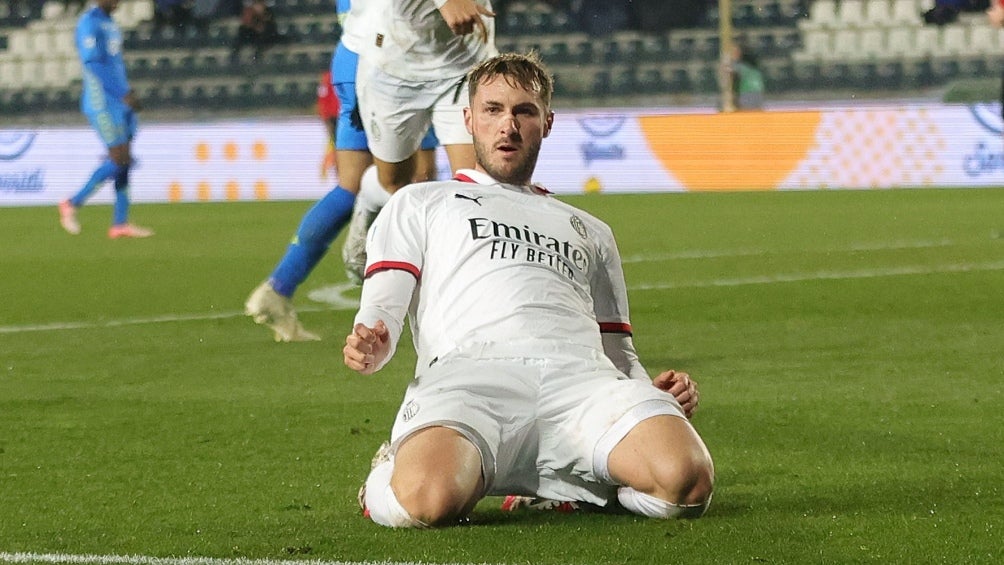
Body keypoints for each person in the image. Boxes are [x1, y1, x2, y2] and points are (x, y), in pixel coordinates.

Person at [342, 52, 715, 527]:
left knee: (688, 483)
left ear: (547, 123)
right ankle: (387, 473)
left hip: (581, 385)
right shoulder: (422, 201)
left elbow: (618, 350)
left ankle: (573, 490)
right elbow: (383, 305)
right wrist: (373, 340)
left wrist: (648, 392)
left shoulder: (590, 229)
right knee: (427, 502)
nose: (508, 125)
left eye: (524, 111)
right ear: (469, 120)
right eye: (493, 110)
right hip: (472, 381)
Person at [243, 0, 440, 342]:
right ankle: (436, 302)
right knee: (420, 179)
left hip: (351, 57)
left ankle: (279, 286)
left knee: (351, 185)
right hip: (396, 57)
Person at [339, 0, 498, 283]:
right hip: (396, 63)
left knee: (478, 189)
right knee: (395, 183)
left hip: (466, 61)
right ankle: (369, 201)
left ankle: (463, 287)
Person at [59, 0, 153, 239]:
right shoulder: (89, 23)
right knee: (119, 158)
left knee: (125, 161)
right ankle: (71, 203)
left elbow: (113, 64)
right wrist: (123, 93)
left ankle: (120, 223)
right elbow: (93, 64)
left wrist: (125, 93)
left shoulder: (110, 22)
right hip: (102, 102)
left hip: (120, 101)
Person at [229, 0, 281, 65]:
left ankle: (257, 59)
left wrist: (261, 26)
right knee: (240, 37)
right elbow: (245, 24)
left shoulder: (268, 12)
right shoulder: (249, 11)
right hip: (251, 35)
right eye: (256, 4)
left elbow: (271, 27)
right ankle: (234, 59)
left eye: (260, 4)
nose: (258, 6)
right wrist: (254, 25)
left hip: (264, 38)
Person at [317, 69, 341, 181]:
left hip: (341, 117)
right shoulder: (327, 78)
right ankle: (340, 177)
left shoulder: (328, 77)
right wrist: (325, 118)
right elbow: (323, 99)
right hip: (334, 118)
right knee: (339, 149)